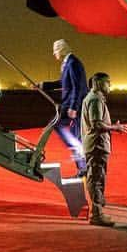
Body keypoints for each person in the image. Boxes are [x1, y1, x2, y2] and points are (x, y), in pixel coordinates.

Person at [81, 72, 127, 227]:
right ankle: (96, 214)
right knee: (95, 179)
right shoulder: (95, 100)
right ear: (97, 83)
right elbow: (96, 124)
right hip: (96, 145)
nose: (110, 85)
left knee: (96, 177)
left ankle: (97, 210)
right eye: (107, 82)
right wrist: (114, 127)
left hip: (95, 145)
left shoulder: (94, 99)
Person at [52, 39, 87, 176]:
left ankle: (80, 155)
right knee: (74, 136)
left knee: (58, 125)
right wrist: (43, 85)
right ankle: (82, 168)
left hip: (74, 106)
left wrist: (73, 107)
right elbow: (63, 82)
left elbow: (77, 87)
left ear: (61, 50)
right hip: (72, 105)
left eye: (55, 51)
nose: (54, 54)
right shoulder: (68, 63)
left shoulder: (72, 63)